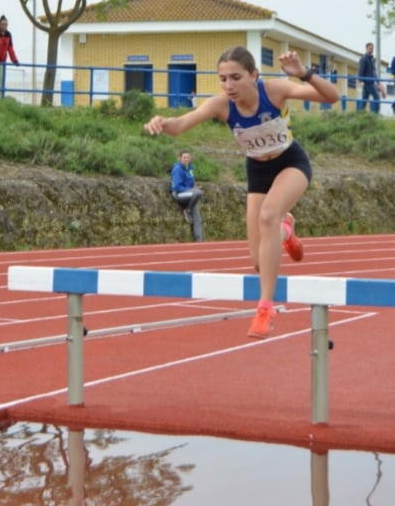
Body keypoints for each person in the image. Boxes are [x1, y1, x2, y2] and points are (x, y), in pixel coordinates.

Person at [144, 47, 340, 340]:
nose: (228, 86)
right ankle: (286, 231)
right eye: (222, 79)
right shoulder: (222, 105)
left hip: (290, 162)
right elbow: (182, 124)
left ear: (254, 75)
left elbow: (332, 97)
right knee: (261, 261)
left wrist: (303, 73)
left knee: (269, 215)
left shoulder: (274, 91)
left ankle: (265, 309)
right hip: (258, 171)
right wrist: (161, 122)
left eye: (235, 78)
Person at [171, 149, 203, 242]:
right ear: (180, 158)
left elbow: (191, 182)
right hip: (179, 194)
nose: (186, 159)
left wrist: (194, 187)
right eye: (184, 157)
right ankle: (188, 210)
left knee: (198, 218)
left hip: (190, 195)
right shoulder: (177, 169)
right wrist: (191, 190)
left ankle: (199, 240)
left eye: (188, 157)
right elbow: (176, 187)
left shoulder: (190, 168)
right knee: (198, 193)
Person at [358, 42, 383, 113]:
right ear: (366, 49)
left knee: (364, 100)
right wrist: (360, 80)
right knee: (377, 97)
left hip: (371, 81)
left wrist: (378, 81)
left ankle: (360, 114)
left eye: (372, 48)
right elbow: (360, 70)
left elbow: (374, 72)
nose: (372, 50)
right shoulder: (364, 59)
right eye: (370, 48)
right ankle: (375, 114)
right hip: (368, 82)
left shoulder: (372, 59)